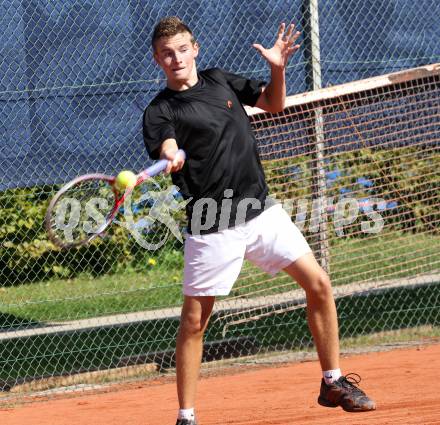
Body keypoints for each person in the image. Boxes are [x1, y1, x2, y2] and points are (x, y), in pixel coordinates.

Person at [143, 16, 376, 425]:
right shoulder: (160, 109)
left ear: (194, 49)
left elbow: (274, 103)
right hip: (212, 222)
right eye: (166, 53)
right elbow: (166, 141)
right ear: (157, 60)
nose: (175, 58)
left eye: (182, 49)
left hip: (261, 210)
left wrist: (277, 68)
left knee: (319, 284)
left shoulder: (220, 80)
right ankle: (186, 416)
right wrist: (172, 152)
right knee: (195, 321)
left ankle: (333, 381)